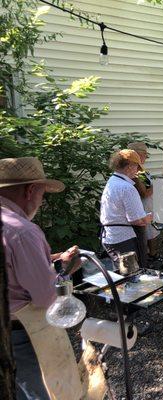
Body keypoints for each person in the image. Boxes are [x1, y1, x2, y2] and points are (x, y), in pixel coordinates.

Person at [0, 157, 81, 399]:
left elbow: (12, 268)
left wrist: (50, 259)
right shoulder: (22, 232)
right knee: (44, 392)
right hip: (22, 332)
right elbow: (47, 298)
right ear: (30, 190)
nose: (41, 202)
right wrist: (65, 269)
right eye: (42, 194)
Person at [100, 149, 152, 269]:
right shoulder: (126, 187)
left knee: (121, 274)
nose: (138, 171)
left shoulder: (113, 181)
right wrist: (149, 217)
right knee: (131, 276)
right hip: (123, 239)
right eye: (137, 167)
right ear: (129, 167)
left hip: (111, 237)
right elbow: (137, 220)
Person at [127, 142, 161, 262]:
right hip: (143, 206)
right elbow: (144, 193)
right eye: (144, 154)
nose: (146, 157)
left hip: (148, 205)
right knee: (148, 232)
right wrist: (158, 184)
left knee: (152, 231)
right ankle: (151, 256)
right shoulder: (135, 173)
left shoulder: (141, 170)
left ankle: (151, 254)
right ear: (136, 155)